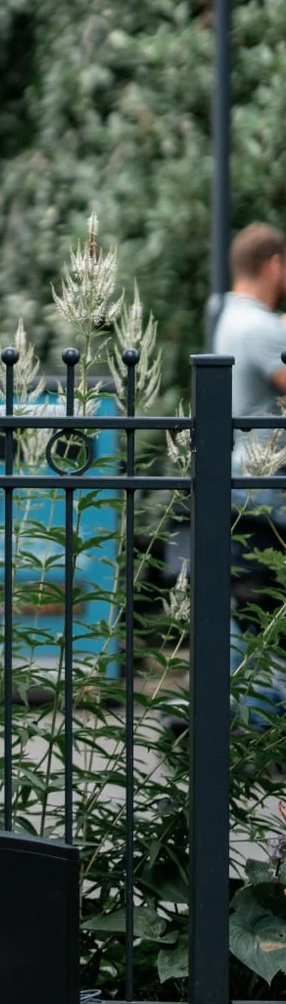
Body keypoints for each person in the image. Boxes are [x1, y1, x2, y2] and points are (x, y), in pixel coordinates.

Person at [209, 222, 286, 724]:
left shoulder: (224, 314)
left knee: (242, 615)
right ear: (274, 264)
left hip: (236, 488)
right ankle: (257, 724)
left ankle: (236, 719)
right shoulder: (262, 329)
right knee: (260, 614)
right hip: (263, 493)